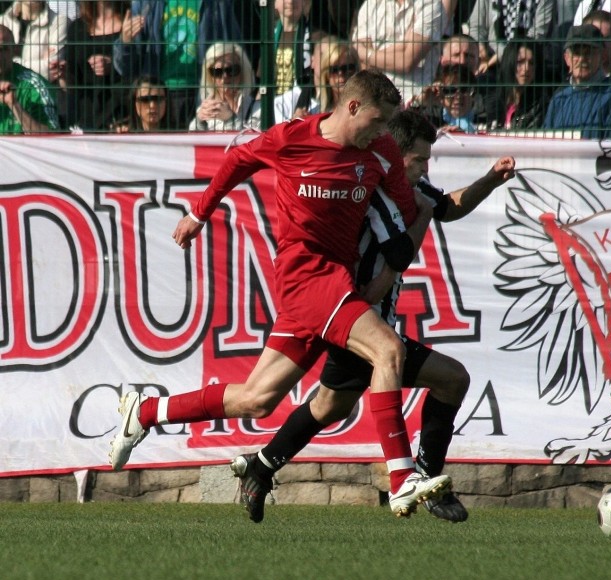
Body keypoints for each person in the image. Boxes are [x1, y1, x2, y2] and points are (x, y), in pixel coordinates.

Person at [108, 69, 451, 519]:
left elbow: (414, 207)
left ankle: (147, 411)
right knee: (386, 350)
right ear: (351, 107)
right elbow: (236, 162)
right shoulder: (292, 138)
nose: (383, 132)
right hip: (305, 278)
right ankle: (403, 477)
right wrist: (199, 212)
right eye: (377, 121)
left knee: (257, 398)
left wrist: (430, 206)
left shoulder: (381, 149)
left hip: (334, 285)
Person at [232, 109, 516, 523]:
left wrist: (490, 180)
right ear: (393, 155)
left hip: (361, 319)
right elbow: (399, 252)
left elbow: (448, 207)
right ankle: (422, 479)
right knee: (451, 378)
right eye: (419, 159)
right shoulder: (372, 192)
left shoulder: (410, 190)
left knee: (330, 404)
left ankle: (261, 466)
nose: (425, 167)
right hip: (355, 316)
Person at [112, 0, 243, 129]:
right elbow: (125, 68)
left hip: (205, 94)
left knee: (201, 145)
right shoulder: (146, 4)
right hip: (159, 97)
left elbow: (236, 50)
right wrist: (125, 42)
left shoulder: (217, 3)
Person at [543, 23, 611, 138]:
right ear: (566, 58)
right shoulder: (558, 100)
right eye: (576, 52)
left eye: (588, 52)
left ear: (603, 56)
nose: (582, 59)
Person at [351, 0, 446, 104]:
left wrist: (366, 54)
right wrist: (405, 43)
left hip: (418, 102)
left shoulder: (430, 4)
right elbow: (367, 68)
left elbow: (407, 62)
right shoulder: (370, 6)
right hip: (381, 103)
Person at [65, 1, 129, 131]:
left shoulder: (129, 23)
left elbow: (140, 67)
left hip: (122, 115)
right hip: (88, 117)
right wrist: (62, 73)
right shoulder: (77, 28)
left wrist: (114, 64)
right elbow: (72, 81)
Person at [273, 35, 358, 123]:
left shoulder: (364, 102)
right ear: (312, 60)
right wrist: (295, 126)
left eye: (348, 68)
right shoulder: (285, 102)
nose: (341, 74)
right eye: (334, 69)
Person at [466, 0, 556, 77]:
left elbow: (536, 36)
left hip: (523, 61)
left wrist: (497, 57)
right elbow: (475, 27)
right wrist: (480, 48)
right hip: (489, 61)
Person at [0, 23, 58, 133]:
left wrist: (14, 105)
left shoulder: (34, 85)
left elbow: (51, 137)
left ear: (14, 50)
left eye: (3, 48)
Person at [482, 37, 550, 130]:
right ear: (509, 63)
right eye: (520, 62)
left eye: (531, 63)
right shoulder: (493, 101)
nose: (526, 68)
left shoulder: (539, 106)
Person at [189, 42, 259, 132]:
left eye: (231, 70)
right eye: (217, 72)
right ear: (210, 76)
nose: (224, 77)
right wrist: (199, 121)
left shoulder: (257, 109)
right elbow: (193, 142)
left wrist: (230, 119)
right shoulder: (207, 108)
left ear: (243, 72)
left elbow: (253, 141)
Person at [271, 0, 314, 96]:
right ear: (274, 3)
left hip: (302, 100)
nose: (290, 1)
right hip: (273, 101)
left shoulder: (313, 36)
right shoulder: (269, 37)